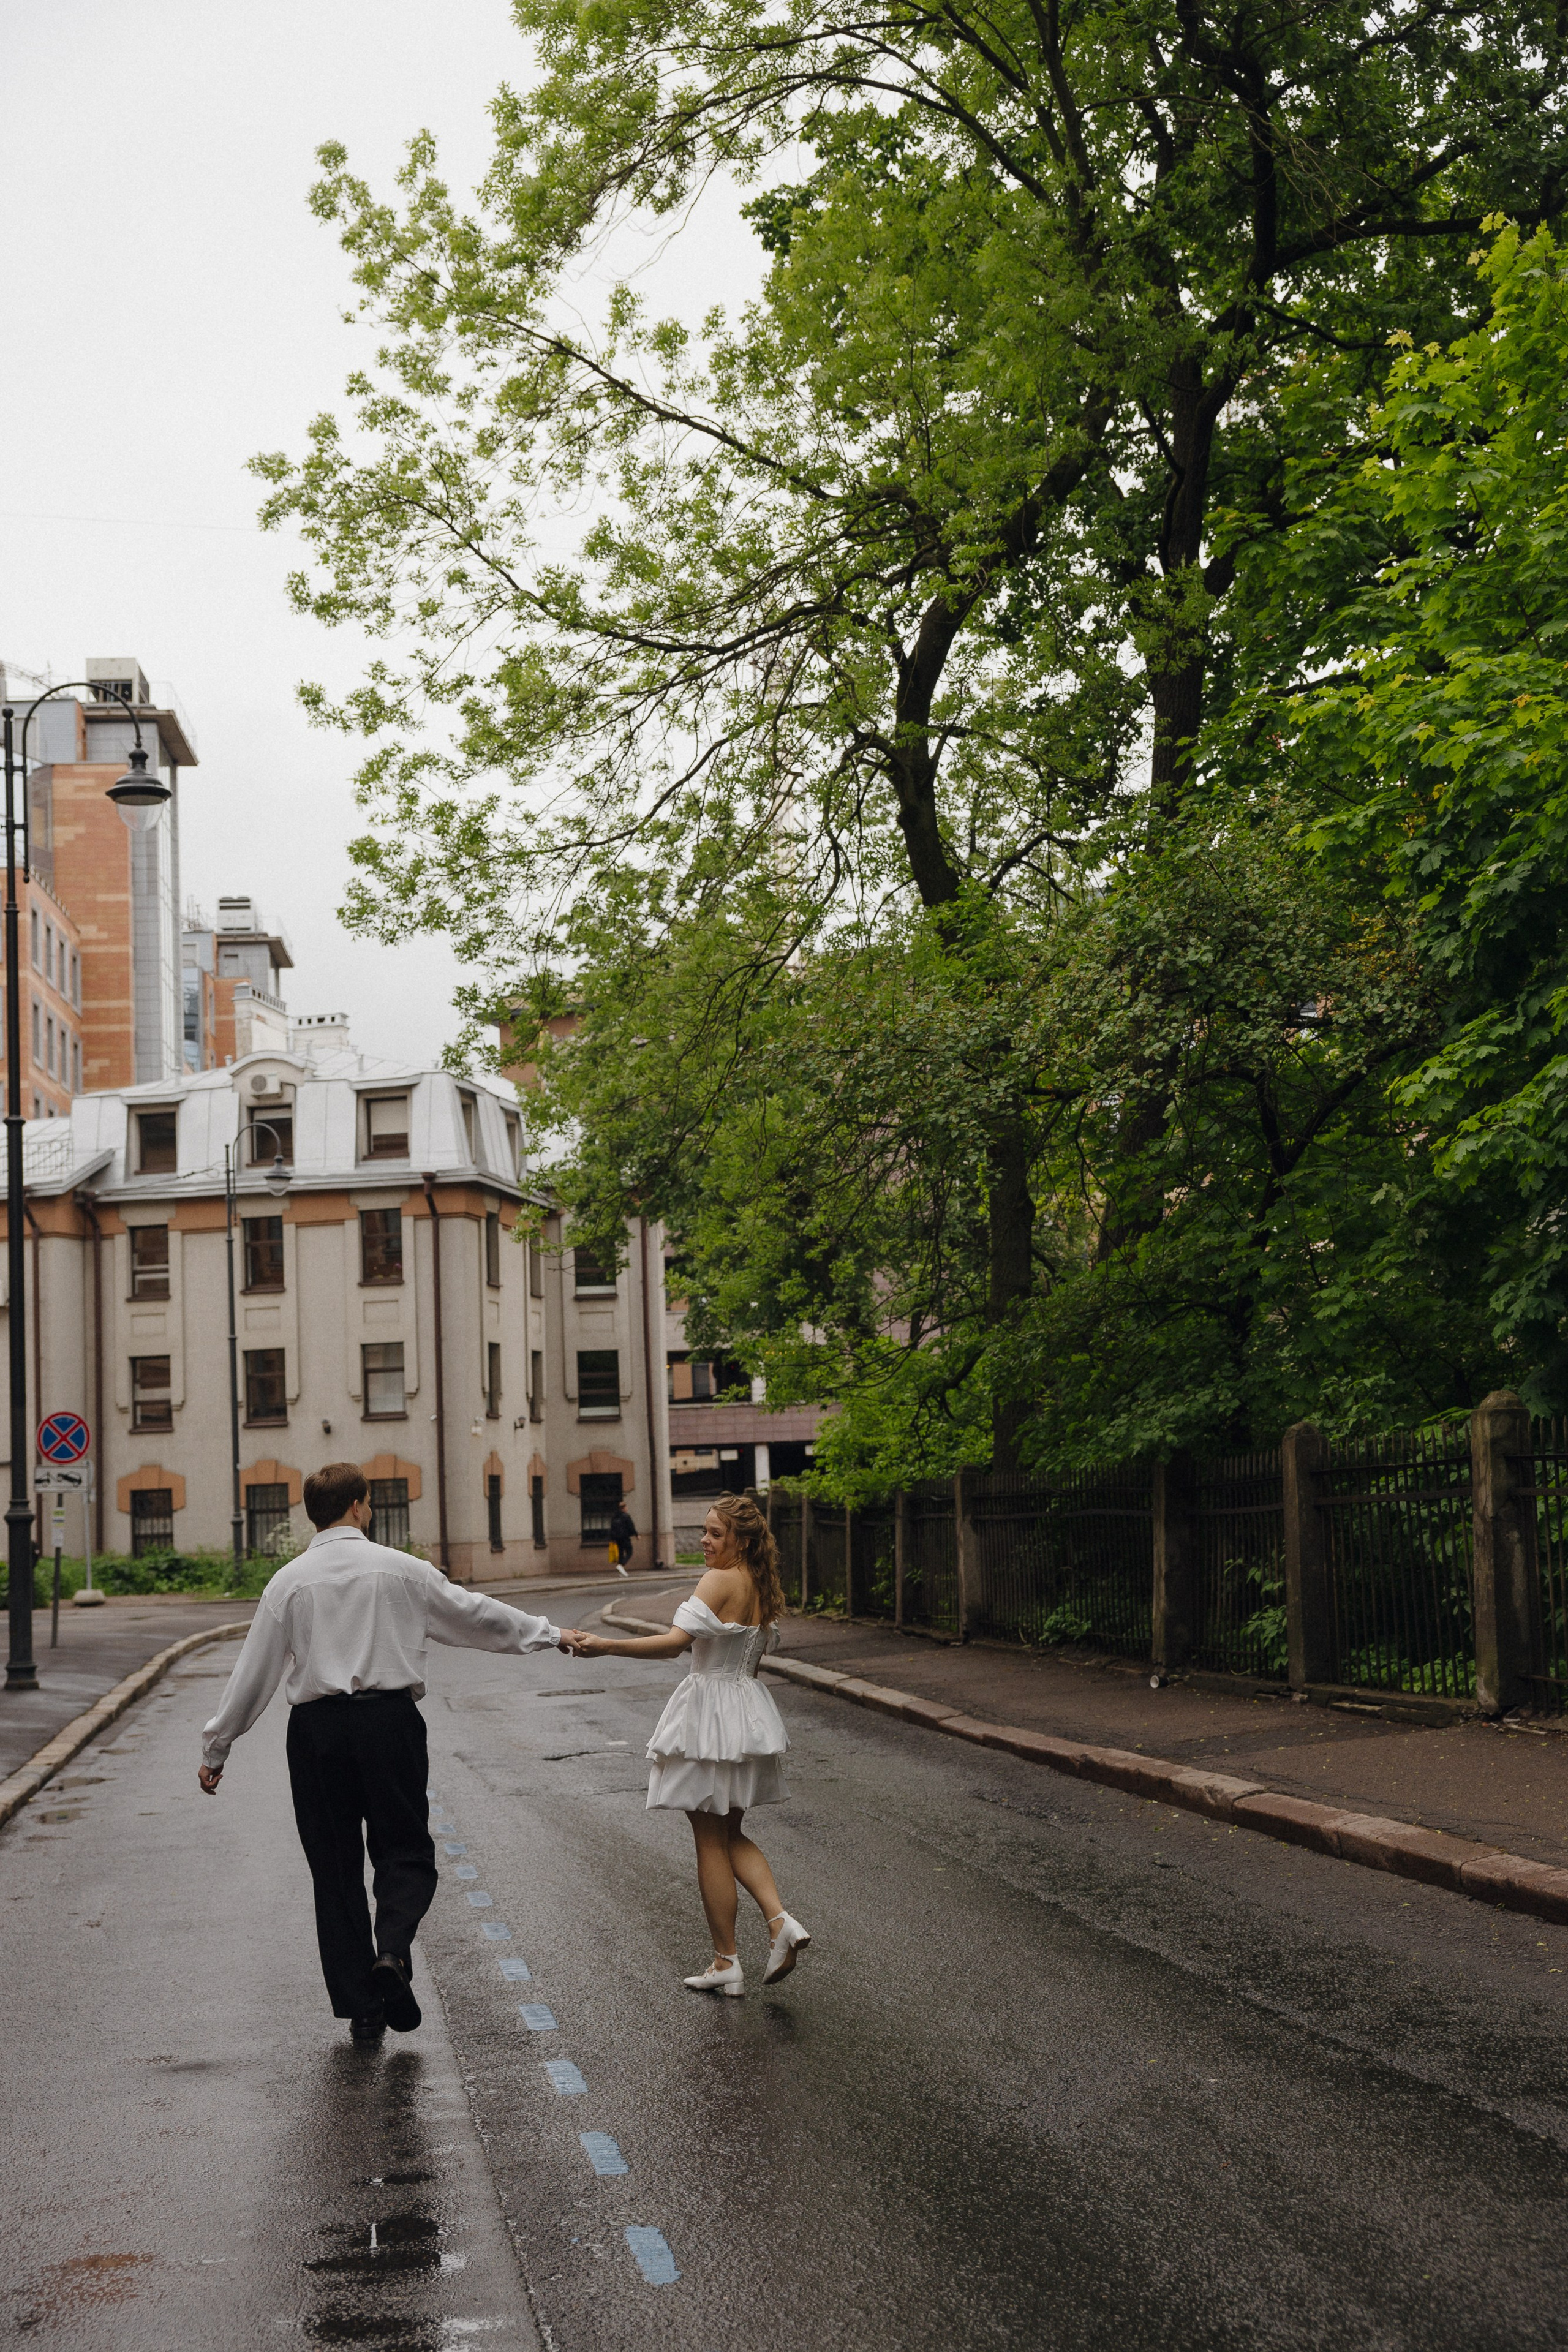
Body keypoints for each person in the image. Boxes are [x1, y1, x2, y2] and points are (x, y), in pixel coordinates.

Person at [197, 1460, 568, 2044]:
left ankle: (362, 2007)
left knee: (335, 1866)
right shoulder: (401, 1570)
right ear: (358, 1507)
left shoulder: (289, 1582)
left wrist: (217, 1749)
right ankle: (392, 1952)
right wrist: (549, 1633)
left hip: (316, 1732)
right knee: (405, 1849)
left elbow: (255, 1674)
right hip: (388, 1723)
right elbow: (474, 1615)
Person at [562, 1491, 810, 1996]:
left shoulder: (718, 1580)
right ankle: (779, 1921)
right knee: (730, 1834)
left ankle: (727, 1961)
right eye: (705, 1530)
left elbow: (675, 1645)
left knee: (709, 1841)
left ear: (740, 1541)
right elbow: (754, 1663)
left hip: (708, 1716)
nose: (704, 1540)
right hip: (745, 1713)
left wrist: (606, 1645)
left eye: (716, 1533)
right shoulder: (759, 1585)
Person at [607, 1499, 637, 1577]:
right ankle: (621, 1565)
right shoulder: (626, 1516)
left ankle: (622, 1571)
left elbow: (612, 1528)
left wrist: (613, 1539)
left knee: (621, 1554)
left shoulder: (614, 1517)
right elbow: (631, 1527)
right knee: (630, 1552)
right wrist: (636, 1535)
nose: (627, 1509)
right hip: (625, 1537)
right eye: (626, 1507)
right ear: (624, 1508)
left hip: (617, 1539)